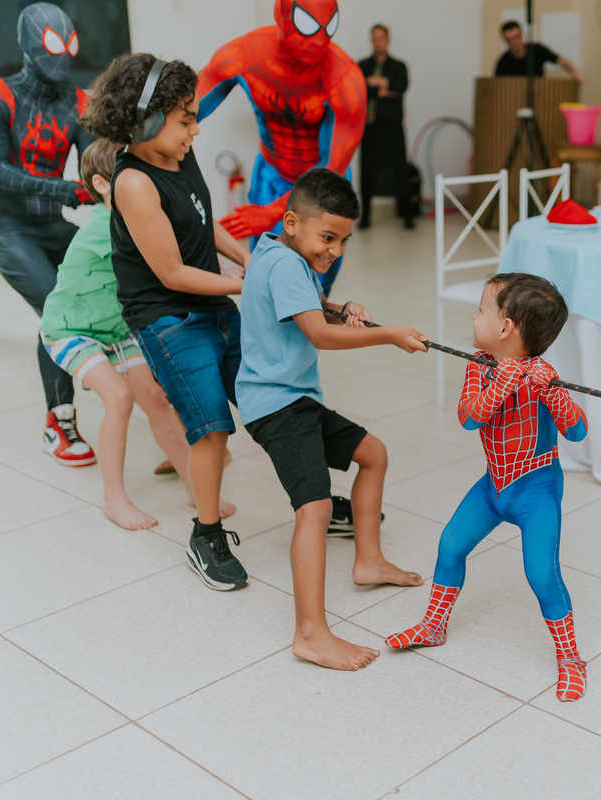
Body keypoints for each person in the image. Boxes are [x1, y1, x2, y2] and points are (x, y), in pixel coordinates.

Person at [237, 167, 427, 669]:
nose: (335, 251)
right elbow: (318, 335)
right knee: (315, 509)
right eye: (328, 237)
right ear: (292, 220)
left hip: (293, 398)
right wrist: (387, 334)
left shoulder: (279, 253)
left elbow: (312, 310)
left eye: (343, 240)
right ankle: (310, 633)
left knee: (373, 455)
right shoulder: (283, 265)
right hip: (277, 405)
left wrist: (341, 306)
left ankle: (367, 561)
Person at [82, 54, 250, 590]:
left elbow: (204, 220)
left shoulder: (181, 153)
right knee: (212, 427)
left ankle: (315, 493)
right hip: (167, 316)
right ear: (147, 119)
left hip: (211, 301)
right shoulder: (133, 182)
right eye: (185, 119)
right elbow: (174, 273)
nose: (195, 130)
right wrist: (249, 285)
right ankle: (206, 537)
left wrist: (250, 259)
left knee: (269, 394)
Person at [385, 273, 590, 702]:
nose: (474, 316)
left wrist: (552, 395)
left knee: (541, 574)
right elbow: (469, 417)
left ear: (505, 328)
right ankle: (435, 626)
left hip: (537, 489)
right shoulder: (480, 364)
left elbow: (577, 432)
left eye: (481, 310)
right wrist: (503, 383)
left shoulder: (543, 375)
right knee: (450, 544)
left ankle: (571, 658)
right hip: (494, 485)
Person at [39, 139, 216, 531]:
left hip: (116, 328)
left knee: (154, 397)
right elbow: (172, 264)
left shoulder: (135, 215)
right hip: (70, 329)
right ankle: (113, 499)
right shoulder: (108, 225)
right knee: (118, 399)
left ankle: (194, 487)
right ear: (105, 185)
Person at [0, 2, 97, 467]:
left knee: (112, 281)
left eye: (69, 44)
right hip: (6, 228)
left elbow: (95, 166)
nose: (62, 53)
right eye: (53, 43)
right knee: (55, 309)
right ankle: (58, 420)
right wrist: (65, 189)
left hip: (52, 223)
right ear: (29, 43)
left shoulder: (78, 101)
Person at [196, 0, 366, 296]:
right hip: (272, 171)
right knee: (263, 271)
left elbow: (331, 173)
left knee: (316, 286)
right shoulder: (245, 55)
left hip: (324, 180)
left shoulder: (345, 80)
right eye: (307, 25)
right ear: (283, 15)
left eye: (328, 28)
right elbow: (180, 111)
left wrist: (269, 213)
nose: (319, 40)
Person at [356, 24, 413, 230]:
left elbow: (402, 86)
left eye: (382, 38)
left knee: (399, 170)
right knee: (369, 170)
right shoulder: (362, 65)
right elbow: (359, 87)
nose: (378, 42)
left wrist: (382, 84)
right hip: (370, 127)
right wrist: (385, 87)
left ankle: (407, 215)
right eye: (375, 39)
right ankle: (366, 215)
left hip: (392, 127)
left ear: (388, 40)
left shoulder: (399, 65)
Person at [494, 21, 583, 83]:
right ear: (505, 41)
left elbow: (561, 60)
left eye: (516, 37)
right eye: (509, 40)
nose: (514, 42)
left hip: (539, 99)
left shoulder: (537, 50)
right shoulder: (502, 62)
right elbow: (498, 86)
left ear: (522, 35)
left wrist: (576, 74)